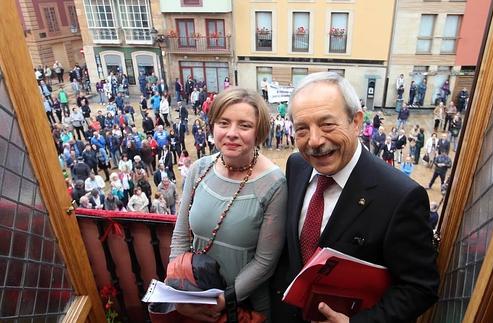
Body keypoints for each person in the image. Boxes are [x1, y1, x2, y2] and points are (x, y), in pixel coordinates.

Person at [271, 72, 438, 322]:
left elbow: (420, 287)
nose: (315, 141)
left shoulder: (401, 196)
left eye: (327, 124)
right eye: (302, 129)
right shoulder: (296, 165)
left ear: (356, 121)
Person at [169, 87, 287, 321]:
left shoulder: (275, 185)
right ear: (213, 126)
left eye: (244, 125)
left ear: (259, 131)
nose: (232, 133)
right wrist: (178, 289)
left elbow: (265, 262)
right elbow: (181, 236)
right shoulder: (199, 169)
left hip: (244, 308)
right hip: (196, 298)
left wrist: (223, 300)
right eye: (224, 123)